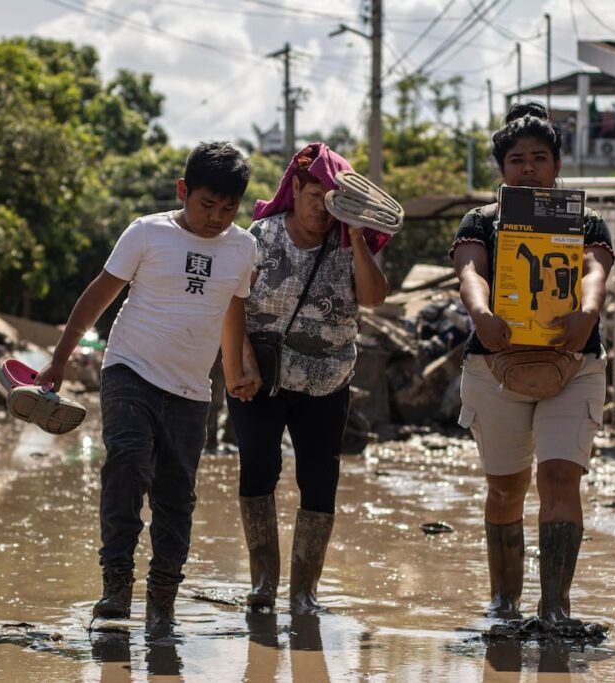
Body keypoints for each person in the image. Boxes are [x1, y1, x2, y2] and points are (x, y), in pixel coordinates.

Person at [35, 141, 258, 629]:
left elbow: (233, 309)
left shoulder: (243, 248)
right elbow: (98, 296)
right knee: (127, 467)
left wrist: (238, 369)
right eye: (206, 204)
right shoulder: (146, 234)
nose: (216, 217)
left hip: (191, 390)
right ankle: (116, 585)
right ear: (183, 191)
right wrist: (59, 360)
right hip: (129, 370)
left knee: (177, 496)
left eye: (228, 208)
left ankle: (162, 600)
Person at [449, 102, 615, 626]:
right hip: (495, 364)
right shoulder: (481, 221)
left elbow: (595, 270)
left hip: (574, 362)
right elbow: (470, 272)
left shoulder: (586, 221)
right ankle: (504, 603)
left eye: (538, 158)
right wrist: (481, 312)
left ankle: (555, 609)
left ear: (557, 165)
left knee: (561, 477)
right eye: (517, 159)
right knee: (505, 488)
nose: (527, 168)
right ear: (502, 168)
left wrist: (588, 310)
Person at [221, 143, 391, 614]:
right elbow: (231, 303)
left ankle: (303, 592)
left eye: (332, 197)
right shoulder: (261, 236)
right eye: (314, 193)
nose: (321, 206)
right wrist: (241, 361)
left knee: (320, 478)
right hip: (262, 378)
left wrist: (357, 238)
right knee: (258, 466)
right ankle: (262, 584)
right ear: (295, 189)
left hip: (327, 381)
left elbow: (374, 297)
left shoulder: (346, 240)